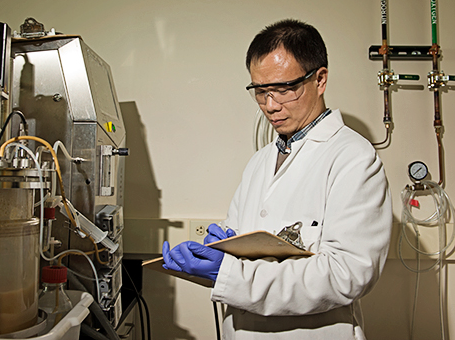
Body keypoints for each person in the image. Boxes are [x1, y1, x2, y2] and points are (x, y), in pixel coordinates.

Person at [162, 19, 392, 339]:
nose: (270, 105)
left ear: (320, 79)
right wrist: (217, 253)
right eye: (260, 90)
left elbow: (348, 274)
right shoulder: (260, 162)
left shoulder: (353, 158)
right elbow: (243, 256)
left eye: (284, 88)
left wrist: (228, 272)